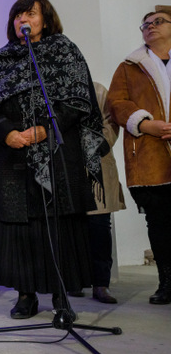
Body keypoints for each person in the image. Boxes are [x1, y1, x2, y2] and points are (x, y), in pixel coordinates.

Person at [0, 0, 104, 320]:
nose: (22, 20)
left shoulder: (65, 52)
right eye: (17, 15)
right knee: (18, 230)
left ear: (46, 19)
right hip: (10, 157)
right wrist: (7, 132)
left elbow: (78, 101)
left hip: (56, 153)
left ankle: (61, 297)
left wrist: (45, 129)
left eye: (30, 13)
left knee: (58, 227)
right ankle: (25, 295)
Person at [108, 7, 171, 305]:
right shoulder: (129, 66)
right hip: (150, 156)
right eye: (145, 24)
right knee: (159, 223)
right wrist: (146, 124)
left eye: (158, 22)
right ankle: (167, 282)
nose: (150, 27)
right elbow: (117, 103)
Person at [68, 82, 125, 304]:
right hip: (68, 167)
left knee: (99, 227)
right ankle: (74, 280)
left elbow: (111, 121)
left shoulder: (97, 90)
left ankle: (101, 283)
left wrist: (98, 142)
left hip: (97, 168)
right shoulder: (58, 89)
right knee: (71, 228)